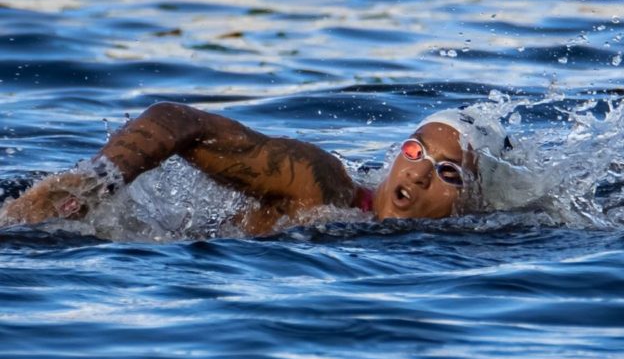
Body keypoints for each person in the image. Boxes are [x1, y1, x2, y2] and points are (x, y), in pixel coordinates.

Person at [0, 102, 511, 235]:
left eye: (450, 174)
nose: (418, 175)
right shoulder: (321, 185)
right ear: (396, 156)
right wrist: (99, 180)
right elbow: (179, 120)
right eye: (416, 152)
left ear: (474, 202)